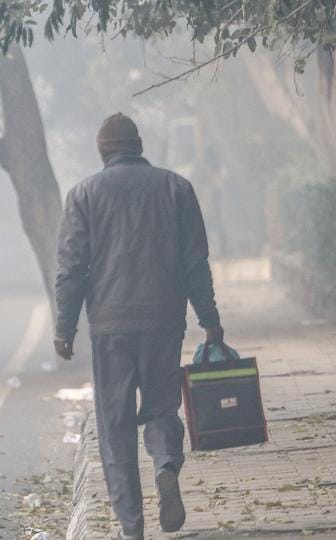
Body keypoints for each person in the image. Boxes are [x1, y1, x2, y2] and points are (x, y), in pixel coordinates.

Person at [53, 113, 224, 540]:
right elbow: (195, 263)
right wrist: (211, 320)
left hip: (110, 326)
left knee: (115, 424)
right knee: (163, 406)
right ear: (139, 145)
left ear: (101, 150)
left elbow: (72, 267)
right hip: (165, 320)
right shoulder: (176, 187)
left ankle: (132, 527)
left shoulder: (84, 194)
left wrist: (64, 326)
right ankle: (166, 463)